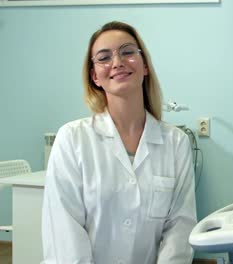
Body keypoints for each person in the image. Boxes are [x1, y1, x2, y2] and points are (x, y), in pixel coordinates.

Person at [41, 21, 197, 264]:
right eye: (104, 57)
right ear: (95, 76)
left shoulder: (176, 143)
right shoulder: (72, 139)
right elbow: (65, 232)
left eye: (127, 52)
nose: (117, 62)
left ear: (145, 66)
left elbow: (180, 227)